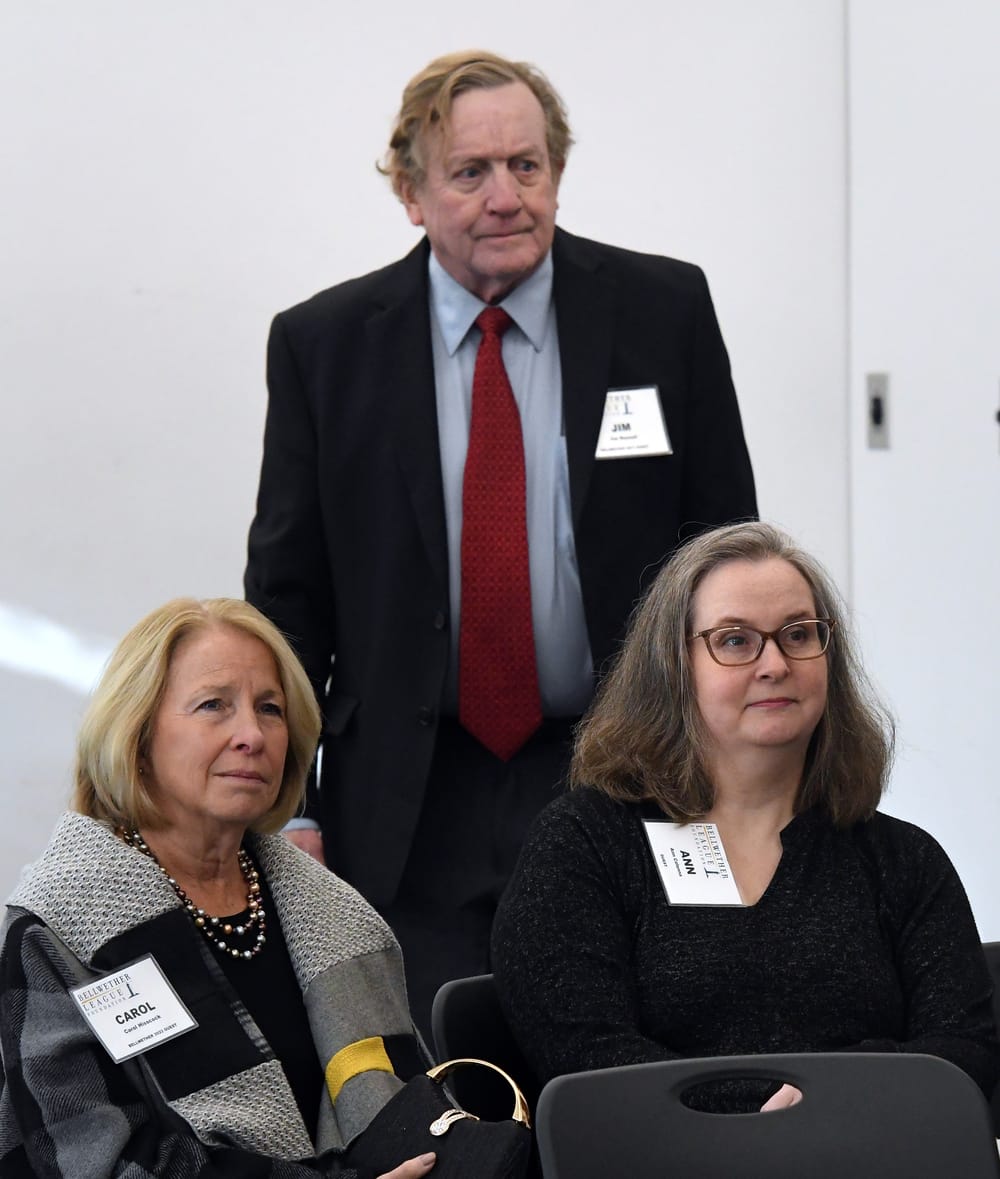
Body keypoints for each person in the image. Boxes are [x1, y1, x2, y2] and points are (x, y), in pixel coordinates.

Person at [244, 48, 757, 1036]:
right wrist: (286, 808)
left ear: (557, 171)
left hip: (622, 769)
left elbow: (726, 562)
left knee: (623, 1056)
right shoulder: (324, 346)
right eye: (470, 172)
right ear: (410, 193)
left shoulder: (663, 312)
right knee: (438, 1065)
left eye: (527, 165)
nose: (506, 198)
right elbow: (286, 602)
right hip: (406, 795)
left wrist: (741, 779)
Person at [491, 522, 1000, 1111]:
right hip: (661, 1152)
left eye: (798, 634)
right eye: (735, 641)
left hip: (868, 1147)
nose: (775, 664)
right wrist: (767, 1112)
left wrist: (828, 1104)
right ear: (673, 665)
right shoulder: (585, 843)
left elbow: (964, 1048)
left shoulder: (902, 860)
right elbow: (585, 1054)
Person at [0, 598, 436, 1177]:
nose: (252, 735)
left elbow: (408, 1108)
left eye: (270, 709)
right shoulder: (60, 924)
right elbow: (93, 1161)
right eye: (213, 706)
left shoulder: (335, 914)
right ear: (137, 737)